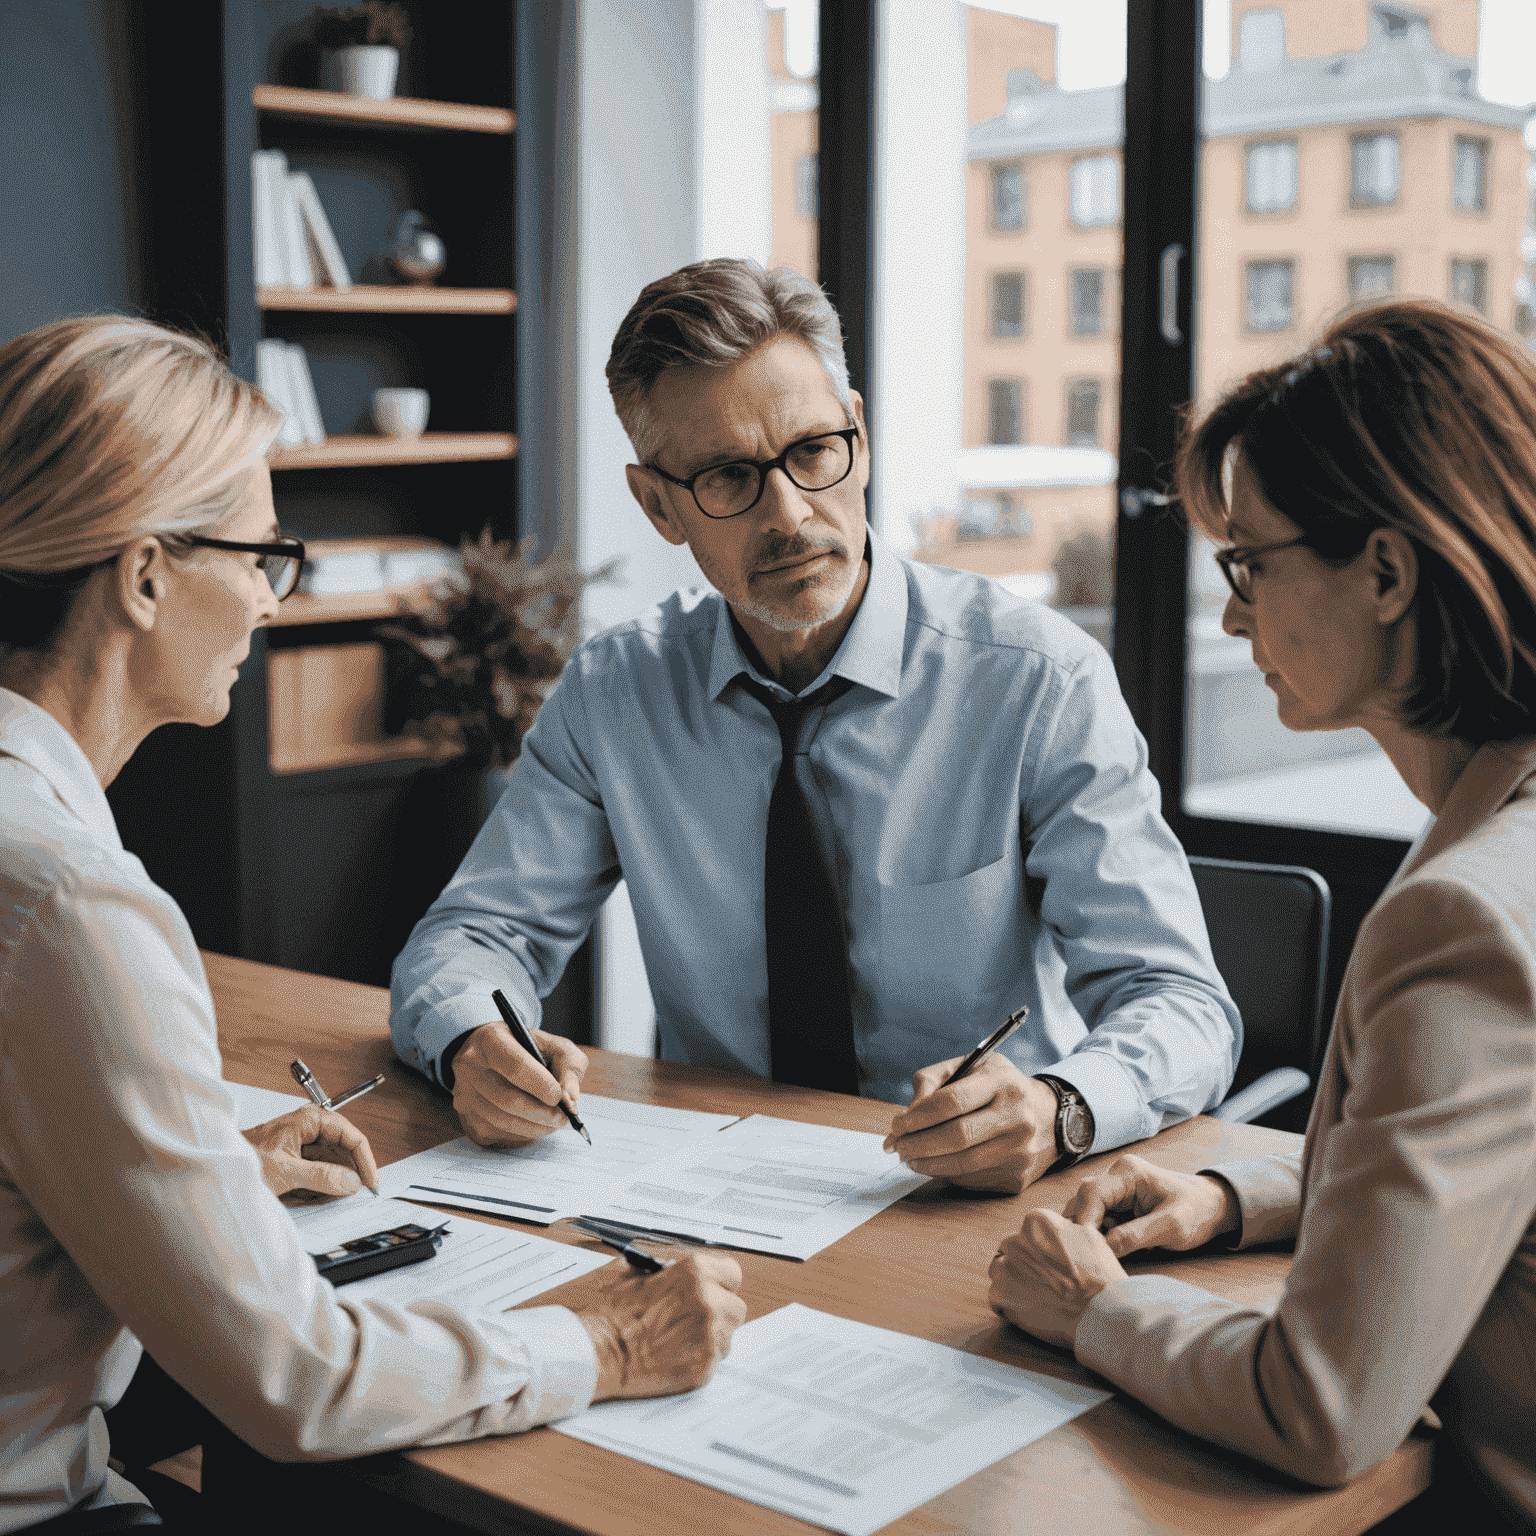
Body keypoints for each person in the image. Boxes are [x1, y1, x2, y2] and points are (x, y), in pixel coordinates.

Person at [0, 316, 746, 1534]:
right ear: (142, 576)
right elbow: (298, 1383)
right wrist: (602, 1342)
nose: (269, 600)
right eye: (260, 555)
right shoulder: (72, 908)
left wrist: (196, 1183)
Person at [391, 256, 1240, 1195]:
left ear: (860, 437)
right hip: (706, 1184)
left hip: (966, 1200)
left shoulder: (1038, 682)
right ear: (657, 505)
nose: (790, 516)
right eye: (727, 477)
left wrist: (1061, 1107)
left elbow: (1181, 1003)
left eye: (812, 453)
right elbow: (472, 935)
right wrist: (475, 1040)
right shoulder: (615, 692)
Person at [987, 298, 1536, 1531]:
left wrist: (1094, 1309)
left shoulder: (1468, 921)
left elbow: (1323, 1409)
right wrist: (1242, 1196)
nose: (1231, 616)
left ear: (1386, 569)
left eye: (1247, 563)